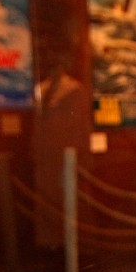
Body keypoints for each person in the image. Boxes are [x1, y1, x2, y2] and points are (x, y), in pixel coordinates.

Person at [31, 53, 92, 251]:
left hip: (67, 156)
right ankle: (50, 241)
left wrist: (80, 155)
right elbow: (37, 126)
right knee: (48, 198)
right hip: (46, 155)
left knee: (69, 199)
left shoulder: (74, 90)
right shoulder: (40, 90)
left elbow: (81, 127)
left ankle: (73, 242)